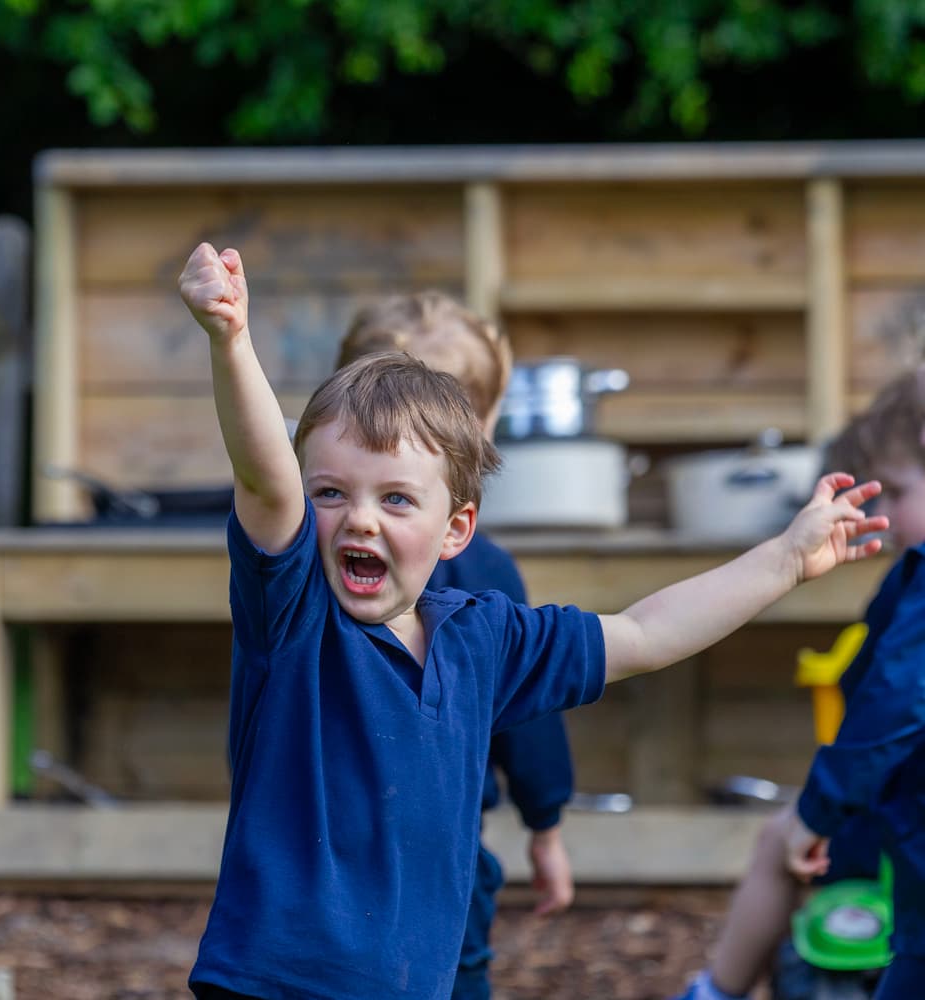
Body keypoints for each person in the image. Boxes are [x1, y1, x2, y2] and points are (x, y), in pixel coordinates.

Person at [178, 241, 885, 1000]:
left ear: (458, 528)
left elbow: (646, 634)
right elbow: (264, 476)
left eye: (395, 498)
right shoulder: (294, 620)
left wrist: (782, 559)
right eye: (330, 494)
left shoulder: (485, 637)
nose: (360, 521)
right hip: (272, 986)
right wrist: (231, 339)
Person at [336, 291, 576, 999]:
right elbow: (528, 715)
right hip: (445, 863)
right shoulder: (486, 572)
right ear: (479, 430)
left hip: (316, 851)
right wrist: (547, 825)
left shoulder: (308, 563)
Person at [671, 365, 925, 1000]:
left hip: (898, 821)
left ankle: (715, 992)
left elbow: (897, 701)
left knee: (781, 838)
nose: (885, 518)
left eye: (895, 492)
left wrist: (818, 811)